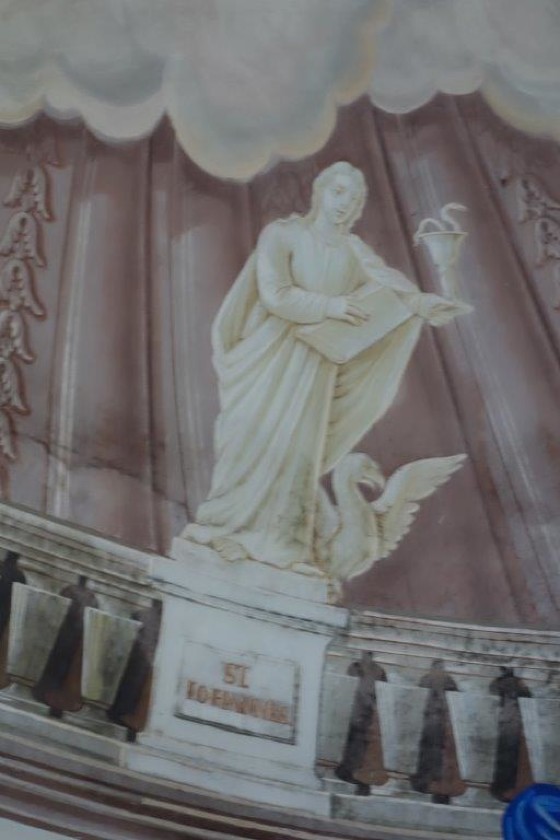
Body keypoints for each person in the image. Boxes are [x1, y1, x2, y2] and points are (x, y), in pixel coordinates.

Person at [184, 161, 464, 572]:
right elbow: (275, 294)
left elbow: (389, 285)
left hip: (315, 366)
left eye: (354, 199)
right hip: (271, 356)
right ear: (319, 192)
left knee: (298, 454)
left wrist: (422, 304)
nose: (344, 204)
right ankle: (222, 527)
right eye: (338, 192)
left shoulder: (353, 249)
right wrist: (331, 306)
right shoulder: (283, 234)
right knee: (251, 441)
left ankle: (282, 543)